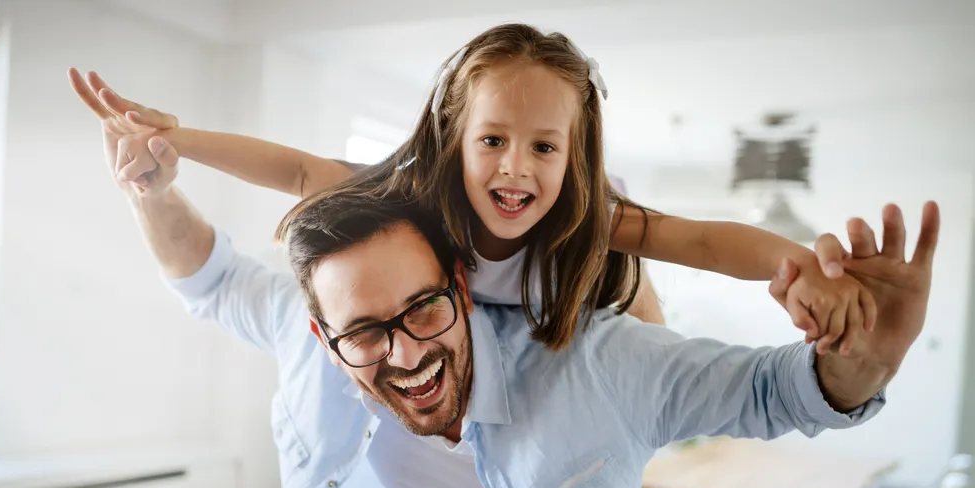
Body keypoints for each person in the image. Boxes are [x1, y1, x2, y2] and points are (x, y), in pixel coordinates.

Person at [70, 57, 937, 488]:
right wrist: (156, 169)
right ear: (322, 333)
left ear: (459, 286)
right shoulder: (359, 282)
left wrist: (852, 344)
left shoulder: (594, 336)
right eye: (365, 332)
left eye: (422, 312)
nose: (402, 352)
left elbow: (763, 376)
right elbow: (214, 274)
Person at [76, 22, 874, 356]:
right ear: (454, 137)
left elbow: (697, 237)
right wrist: (173, 140)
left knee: (638, 313)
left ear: (573, 153)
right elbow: (298, 171)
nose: (513, 169)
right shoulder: (422, 195)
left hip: (583, 291)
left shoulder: (583, 211)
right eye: (491, 139)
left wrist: (798, 266)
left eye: (543, 147)